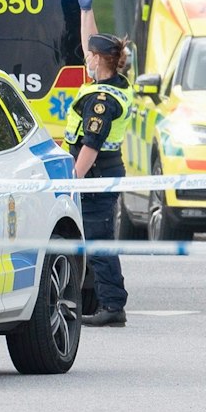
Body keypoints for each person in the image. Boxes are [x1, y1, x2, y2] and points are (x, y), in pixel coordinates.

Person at [68, 31, 132, 327]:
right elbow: (91, 41)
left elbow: (91, 145)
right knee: (96, 238)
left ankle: (112, 305)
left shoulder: (101, 99)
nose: (86, 57)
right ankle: (109, 300)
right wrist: (85, 9)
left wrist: (71, 183)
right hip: (105, 172)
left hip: (96, 175)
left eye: (89, 55)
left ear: (98, 59)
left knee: (98, 240)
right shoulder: (115, 84)